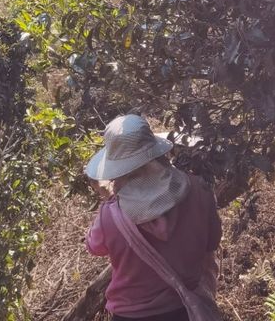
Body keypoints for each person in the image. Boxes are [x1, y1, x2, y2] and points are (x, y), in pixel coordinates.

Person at [85, 114, 222, 321]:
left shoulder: (110, 215)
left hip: (129, 315)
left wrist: (108, 198)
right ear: (156, 151)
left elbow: (94, 246)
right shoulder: (199, 189)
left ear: (117, 169)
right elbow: (212, 241)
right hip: (186, 310)